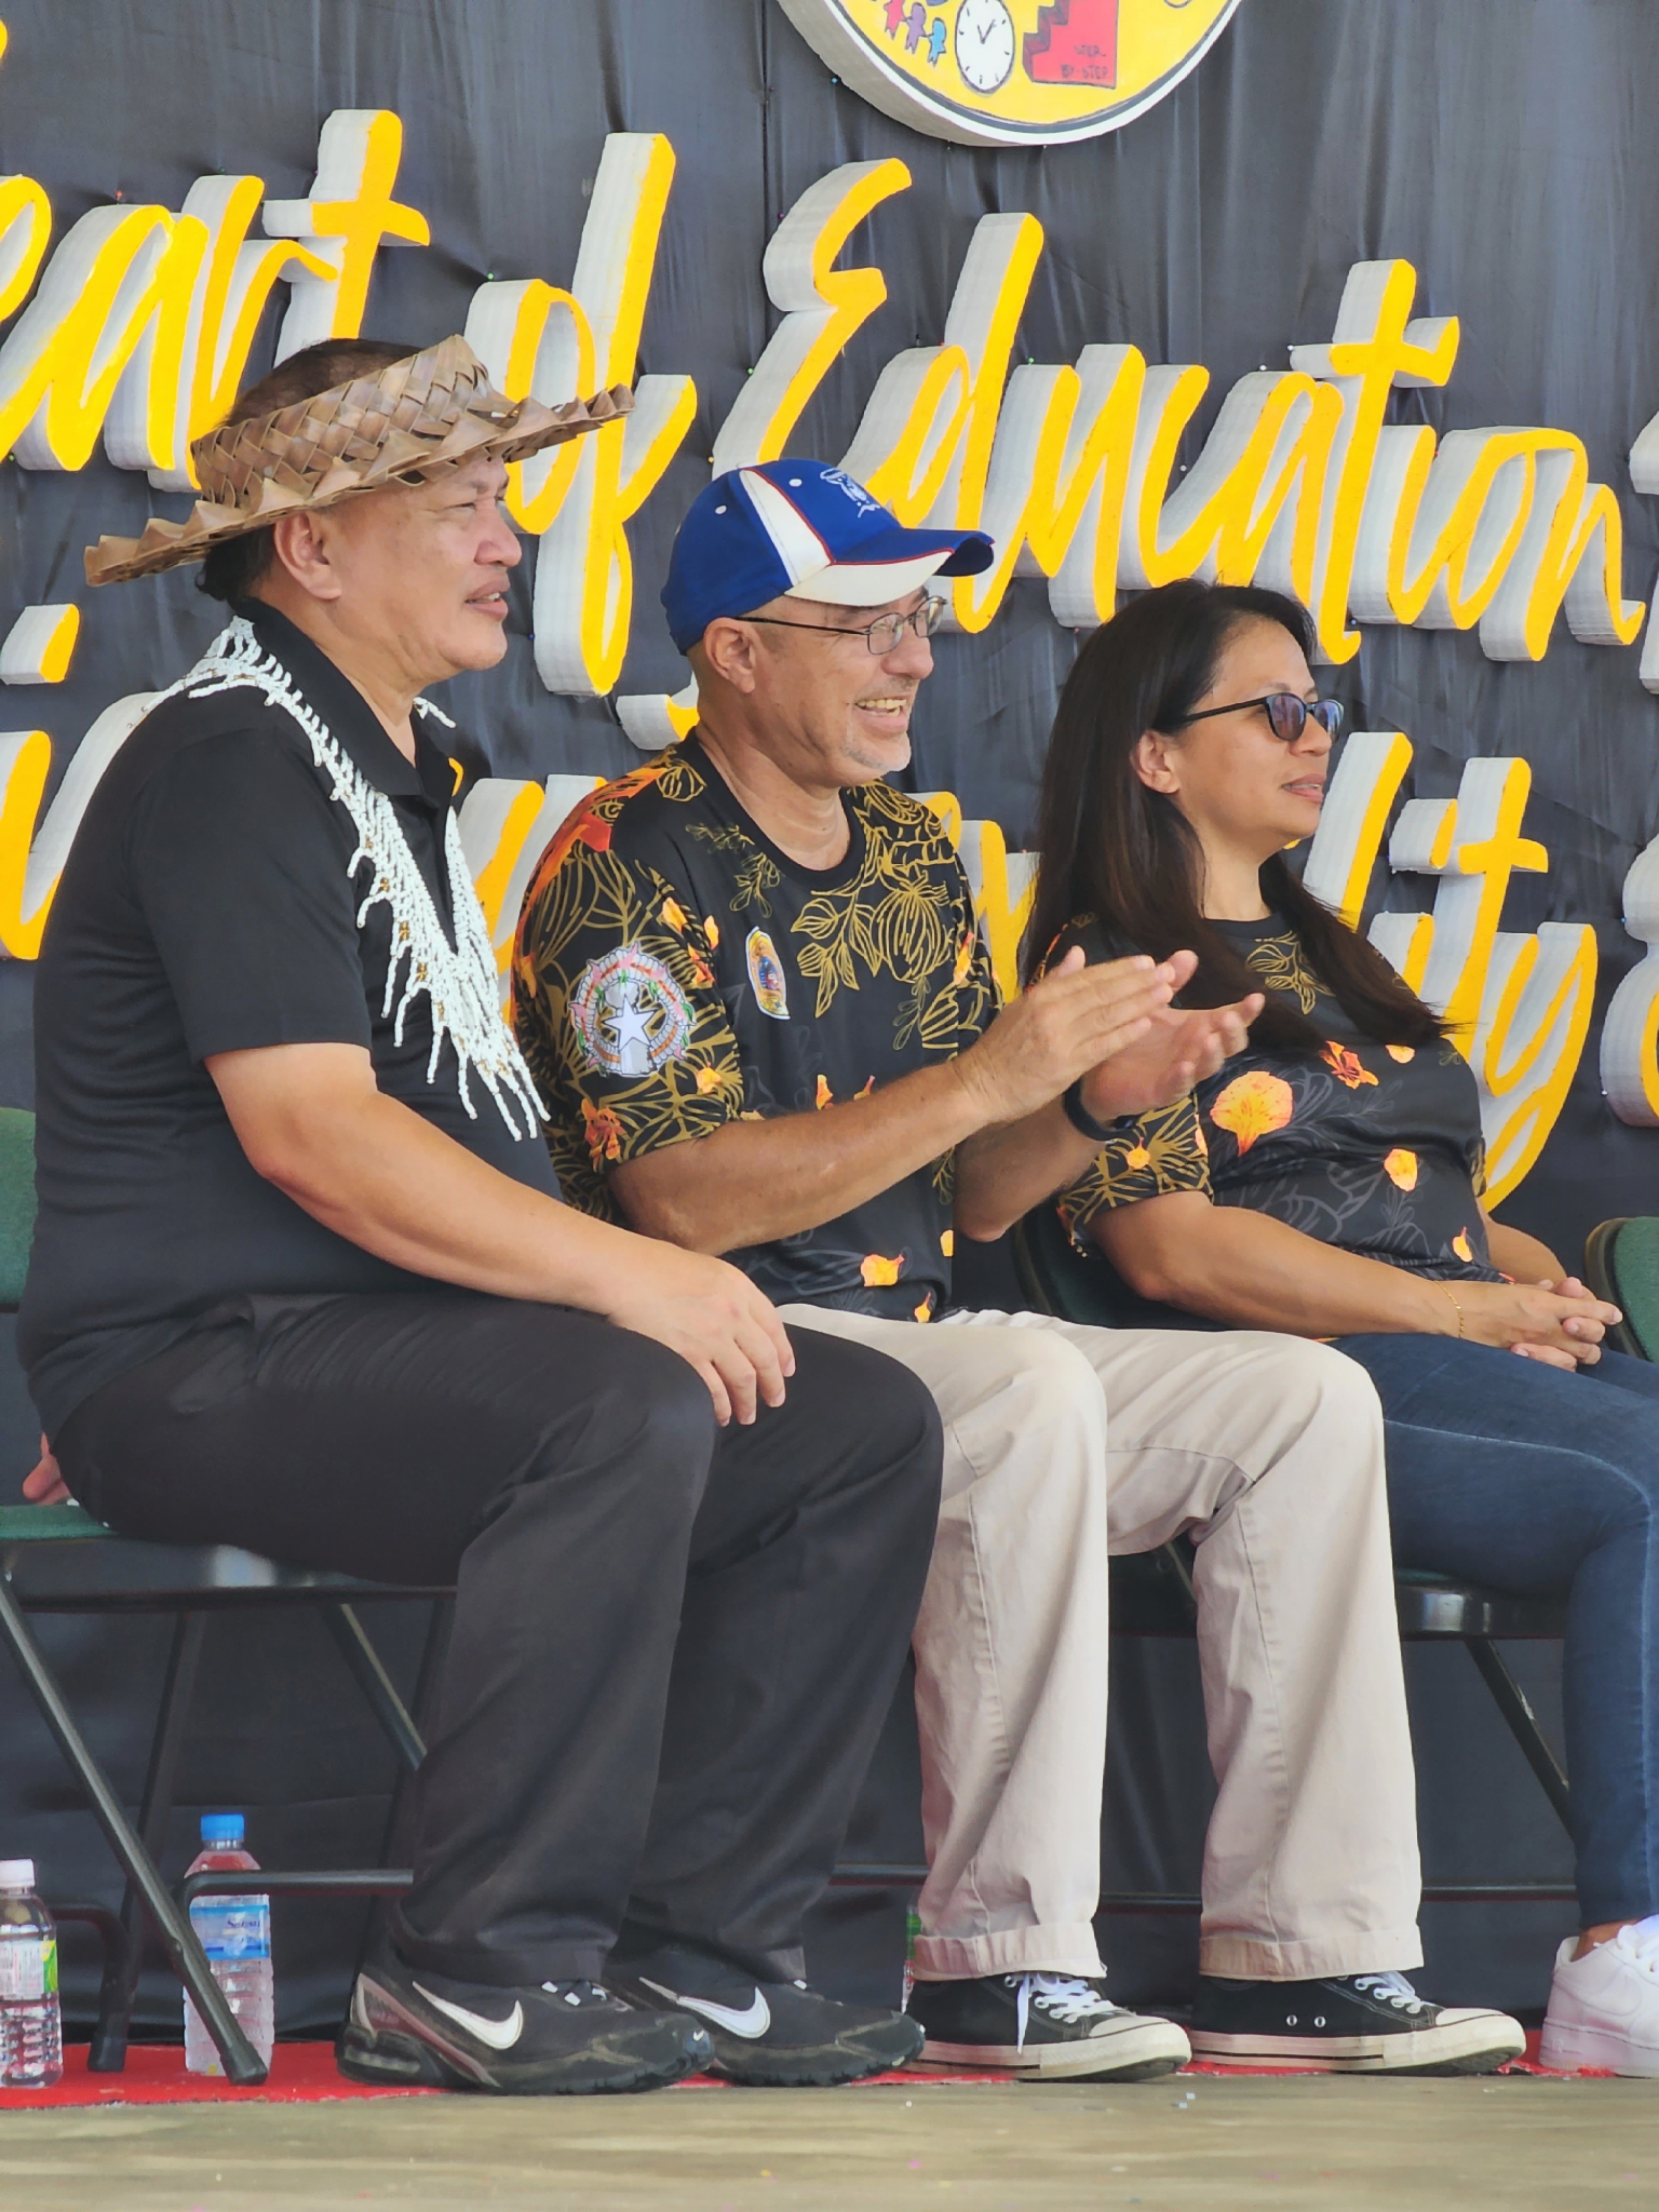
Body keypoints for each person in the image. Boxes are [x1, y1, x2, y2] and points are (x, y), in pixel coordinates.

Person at [511, 457, 1526, 2078]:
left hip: (927, 1343)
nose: (914, 655)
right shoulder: (625, 861)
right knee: (1030, 1374)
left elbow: (980, 1194)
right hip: (730, 1359)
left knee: (1302, 1403)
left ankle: (1302, 1953)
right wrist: (999, 1076)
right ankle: (1004, 1959)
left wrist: (1096, 1103)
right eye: (864, 623)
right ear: (736, 652)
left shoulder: (910, 853)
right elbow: (684, 1203)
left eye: (917, 618)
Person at [19, 341, 946, 2096]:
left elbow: (453, 1138)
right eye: (460, 505)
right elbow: (312, 1138)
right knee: (624, 1396)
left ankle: (710, 1958)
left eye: (502, 502)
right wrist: (640, 1278)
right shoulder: (226, 757)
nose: (506, 539)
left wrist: (632, 1291)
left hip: (342, 1351)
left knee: (854, 1427)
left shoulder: (397, 765)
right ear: (311, 549)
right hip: (201, 1363)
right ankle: (476, 1966)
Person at [1023, 574, 1659, 2078]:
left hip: (1453, 1340)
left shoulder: (1327, 952)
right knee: (1644, 1494)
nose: (1316, 736)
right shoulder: (1117, 973)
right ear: (1156, 754)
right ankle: (1624, 1957)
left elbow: (1431, 1203)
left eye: (1325, 709)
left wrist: (1530, 1288)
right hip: (1301, 1384)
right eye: (1278, 709)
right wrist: (1456, 1304)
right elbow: (1173, 1250)